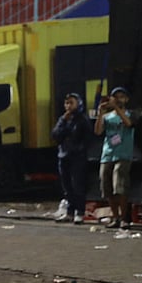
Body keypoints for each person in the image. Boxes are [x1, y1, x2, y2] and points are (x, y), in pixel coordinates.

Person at [94, 86, 135, 229]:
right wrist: (100, 113)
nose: (118, 99)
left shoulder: (130, 113)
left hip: (123, 154)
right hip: (107, 154)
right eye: (115, 96)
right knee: (107, 186)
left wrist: (117, 108)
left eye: (121, 96)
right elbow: (98, 131)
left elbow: (128, 123)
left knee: (120, 185)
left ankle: (124, 218)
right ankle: (115, 217)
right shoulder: (107, 117)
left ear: (127, 99)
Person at [50, 93, 91, 224]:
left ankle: (80, 212)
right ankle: (69, 212)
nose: (68, 106)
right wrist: (63, 121)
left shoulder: (82, 119)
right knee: (67, 185)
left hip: (77, 155)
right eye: (66, 103)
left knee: (77, 185)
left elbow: (86, 136)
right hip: (63, 154)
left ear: (78, 103)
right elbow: (55, 135)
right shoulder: (63, 119)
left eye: (71, 103)